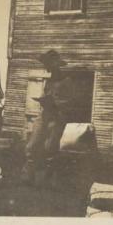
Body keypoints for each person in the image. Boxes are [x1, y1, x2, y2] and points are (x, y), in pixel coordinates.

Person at [22, 50, 74, 185]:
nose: (47, 68)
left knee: (50, 147)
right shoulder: (49, 81)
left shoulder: (67, 81)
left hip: (57, 116)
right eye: (46, 65)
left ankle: (48, 179)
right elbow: (47, 96)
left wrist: (56, 104)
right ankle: (28, 176)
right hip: (44, 114)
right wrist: (44, 100)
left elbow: (69, 102)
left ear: (56, 65)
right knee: (31, 145)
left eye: (49, 65)